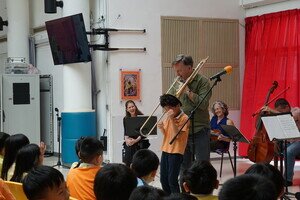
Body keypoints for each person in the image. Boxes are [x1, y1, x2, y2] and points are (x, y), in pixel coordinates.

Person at [169, 54, 212, 173]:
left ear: (189, 68)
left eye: (180, 70)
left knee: (202, 165)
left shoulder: (203, 82)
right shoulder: (176, 81)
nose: (177, 74)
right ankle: (184, 191)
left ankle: (202, 191)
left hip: (200, 129)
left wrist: (187, 90)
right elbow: (172, 102)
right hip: (182, 129)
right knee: (184, 166)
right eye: (176, 71)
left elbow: (203, 104)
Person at [262, 98, 300, 186]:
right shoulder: (282, 114)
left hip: (298, 140)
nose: (279, 113)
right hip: (288, 141)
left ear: (287, 107)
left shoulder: (297, 111)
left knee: (289, 152)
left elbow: (290, 117)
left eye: (280, 111)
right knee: (269, 149)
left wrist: (272, 111)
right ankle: (271, 176)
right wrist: (275, 141)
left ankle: (287, 179)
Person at [158, 94, 190, 194]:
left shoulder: (184, 118)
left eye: (169, 108)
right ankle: (167, 197)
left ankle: (176, 197)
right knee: (163, 179)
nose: (167, 111)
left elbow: (177, 135)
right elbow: (167, 134)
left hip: (176, 151)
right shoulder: (168, 116)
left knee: (172, 180)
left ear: (177, 106)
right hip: (166, 149)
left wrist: (171, 119)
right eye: (166, 109)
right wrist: (162, 128)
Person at [123, 100, 149, 167]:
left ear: (135, 107)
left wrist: (135, 140)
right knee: (128, 162)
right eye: (129, 107)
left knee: (139, 164)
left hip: (139, 142)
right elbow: (125, 132)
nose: (132, 108)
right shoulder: (125, 119)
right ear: (127, 109)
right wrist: (126, 140)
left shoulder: (141, 117)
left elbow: (144, 133)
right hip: (130, 142)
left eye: (133, 106)